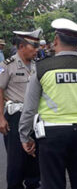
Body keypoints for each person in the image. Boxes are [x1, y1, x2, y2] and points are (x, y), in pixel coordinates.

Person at [19, 18, 77, 189]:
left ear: (56, 40)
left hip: (51, 135)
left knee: (52, 184)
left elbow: (29, 108)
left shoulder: (42, 68)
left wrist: (25, 136)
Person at [0, 29, 42, 189]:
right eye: (34, 46)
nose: (37, 49)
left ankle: (33, 183)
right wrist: (1, 118)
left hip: (35, 117)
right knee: (16, 161)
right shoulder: (6, 65)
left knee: (34, 157)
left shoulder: (36, 66)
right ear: (22, 46)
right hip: (16, 116)